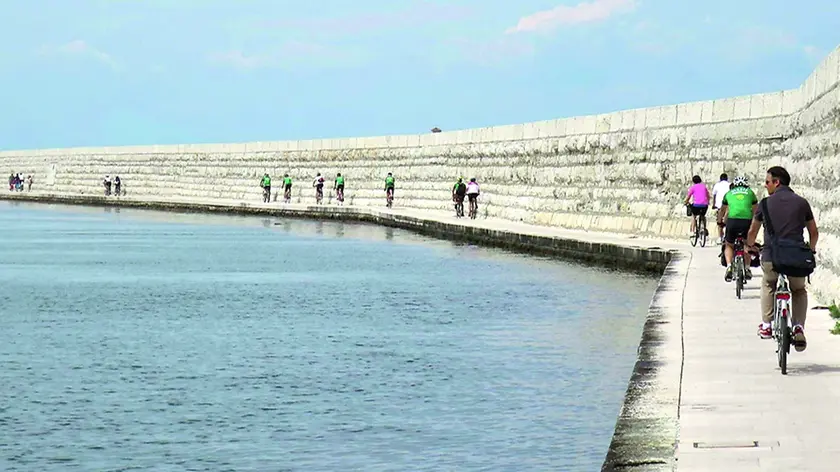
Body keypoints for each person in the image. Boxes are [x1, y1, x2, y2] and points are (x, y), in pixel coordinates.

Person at [746, 166, 819, 350]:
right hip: (796, 257)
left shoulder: (764, 204)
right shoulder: (802, 203)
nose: (766, 185)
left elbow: (752, 232)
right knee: (799, 290)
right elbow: (813, 232)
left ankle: (767, 325)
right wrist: (811, 250)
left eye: (768, 182)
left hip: (772, 256)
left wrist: (751, 246)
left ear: (777, 182)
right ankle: (798, 327)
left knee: (769, 283)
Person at [720, 176, 758, 282]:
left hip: (732, 221)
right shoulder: (750, 193)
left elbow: (723, 210)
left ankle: (729, 266)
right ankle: (747, 267)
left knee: (729, 244)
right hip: (747, 222)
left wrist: (720, 222)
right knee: (748, 244)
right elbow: (756, 211)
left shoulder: (729, 194)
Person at [712, 173, 731, 243]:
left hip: (720, 206)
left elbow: (714, 195)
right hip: (728, 205)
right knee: (728, 221)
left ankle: (720, 237)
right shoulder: (730, 184)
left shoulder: (717, 185)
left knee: (719, 222)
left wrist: (713, 204)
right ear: (727, 178)